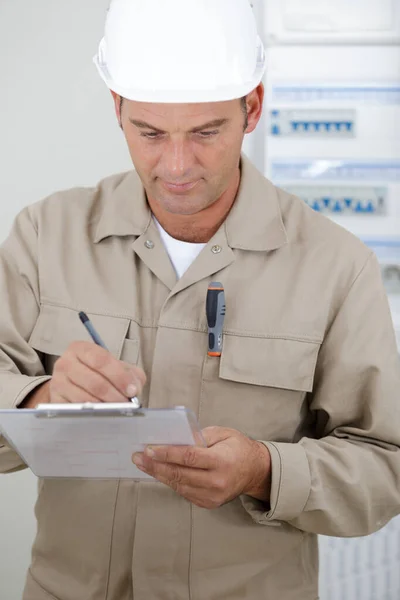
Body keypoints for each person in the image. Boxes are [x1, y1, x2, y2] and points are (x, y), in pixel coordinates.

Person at [1, 0, 399, 598]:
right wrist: (44, 398)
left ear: (253, 108)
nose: (178, 165)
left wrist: (265, 472)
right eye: (151, 133)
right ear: (117, 109)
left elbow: (385, 468)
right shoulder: (44, 235)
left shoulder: (336, 265)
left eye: (207, 132)